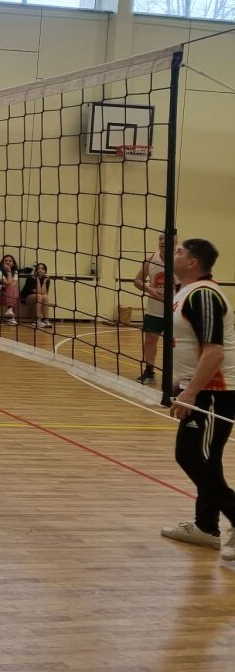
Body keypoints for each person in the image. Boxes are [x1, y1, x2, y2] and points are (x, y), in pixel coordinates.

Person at [160, 238, 235, 562]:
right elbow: (192, 345)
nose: (173, 253)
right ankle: (206, 527)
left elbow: (214, 352)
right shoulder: (186, 291)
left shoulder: (204, 294)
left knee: (192, 456)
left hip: (215, 392)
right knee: (206, 459)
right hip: (202, 388)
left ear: (192, 262)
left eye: (179, 251)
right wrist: (180, 383)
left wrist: (190, 392)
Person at [134, 233, 172, 385]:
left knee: (177, 344)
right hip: (154, 310)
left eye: (166, 239)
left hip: (175, 311)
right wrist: (150, 290)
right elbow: (137, 281)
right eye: (160, 239)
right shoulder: (150, 259)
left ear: (175, 242)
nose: (162, 241)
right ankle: (149, 372)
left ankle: (181, 376)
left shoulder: (180, 260)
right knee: (150, 340)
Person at [0, 254, 21, 326]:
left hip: (6, 296)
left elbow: (13, 284)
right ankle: (11, 316)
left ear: (13, 263)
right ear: (2, 263)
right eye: (6, 261)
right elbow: (9, 283)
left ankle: (11, 316)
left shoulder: (15, 271)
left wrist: (2, 285)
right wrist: (9, 271)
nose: (8, 262)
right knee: (13, 291)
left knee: (16, 296)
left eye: (10, 261)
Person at [22, 262, 54, 330]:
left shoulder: (46, 280)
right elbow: (39, 292)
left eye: (42, 269)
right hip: (26, 298)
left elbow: (44, 293)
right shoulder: (30, 278)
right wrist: (37, 279)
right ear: (36, 270)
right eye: (39, 268)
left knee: (45, 297)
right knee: (39, 296)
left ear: (45, 271)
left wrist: (44, 281)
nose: (40, 270)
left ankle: (46, 320)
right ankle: (38, 320)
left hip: (39, 298)